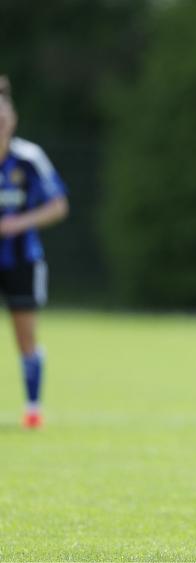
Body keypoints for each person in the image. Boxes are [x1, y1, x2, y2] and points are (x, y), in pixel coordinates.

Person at [0, 75, 69, 429]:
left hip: (22, 258)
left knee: (25, 334)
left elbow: (58, 205)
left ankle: (32, 407)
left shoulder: (28, 158)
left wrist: (19, 223)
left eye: (3, 117)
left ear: (13, 120)